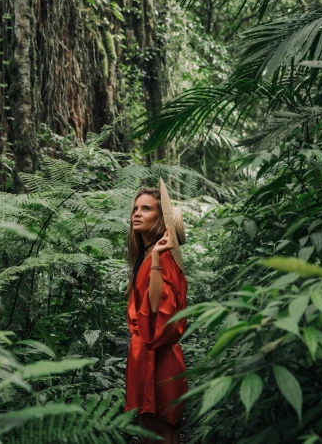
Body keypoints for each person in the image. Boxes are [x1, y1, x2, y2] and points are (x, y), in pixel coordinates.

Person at [124, 179, 188, 444]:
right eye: (135, 208)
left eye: (146, 209)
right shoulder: (148, 254)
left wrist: (157, 261)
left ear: (162, 220)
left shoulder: (162, 257)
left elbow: (159, 311)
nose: (137, 213)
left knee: (160, 434)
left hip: (158, 359)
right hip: (143, 358)